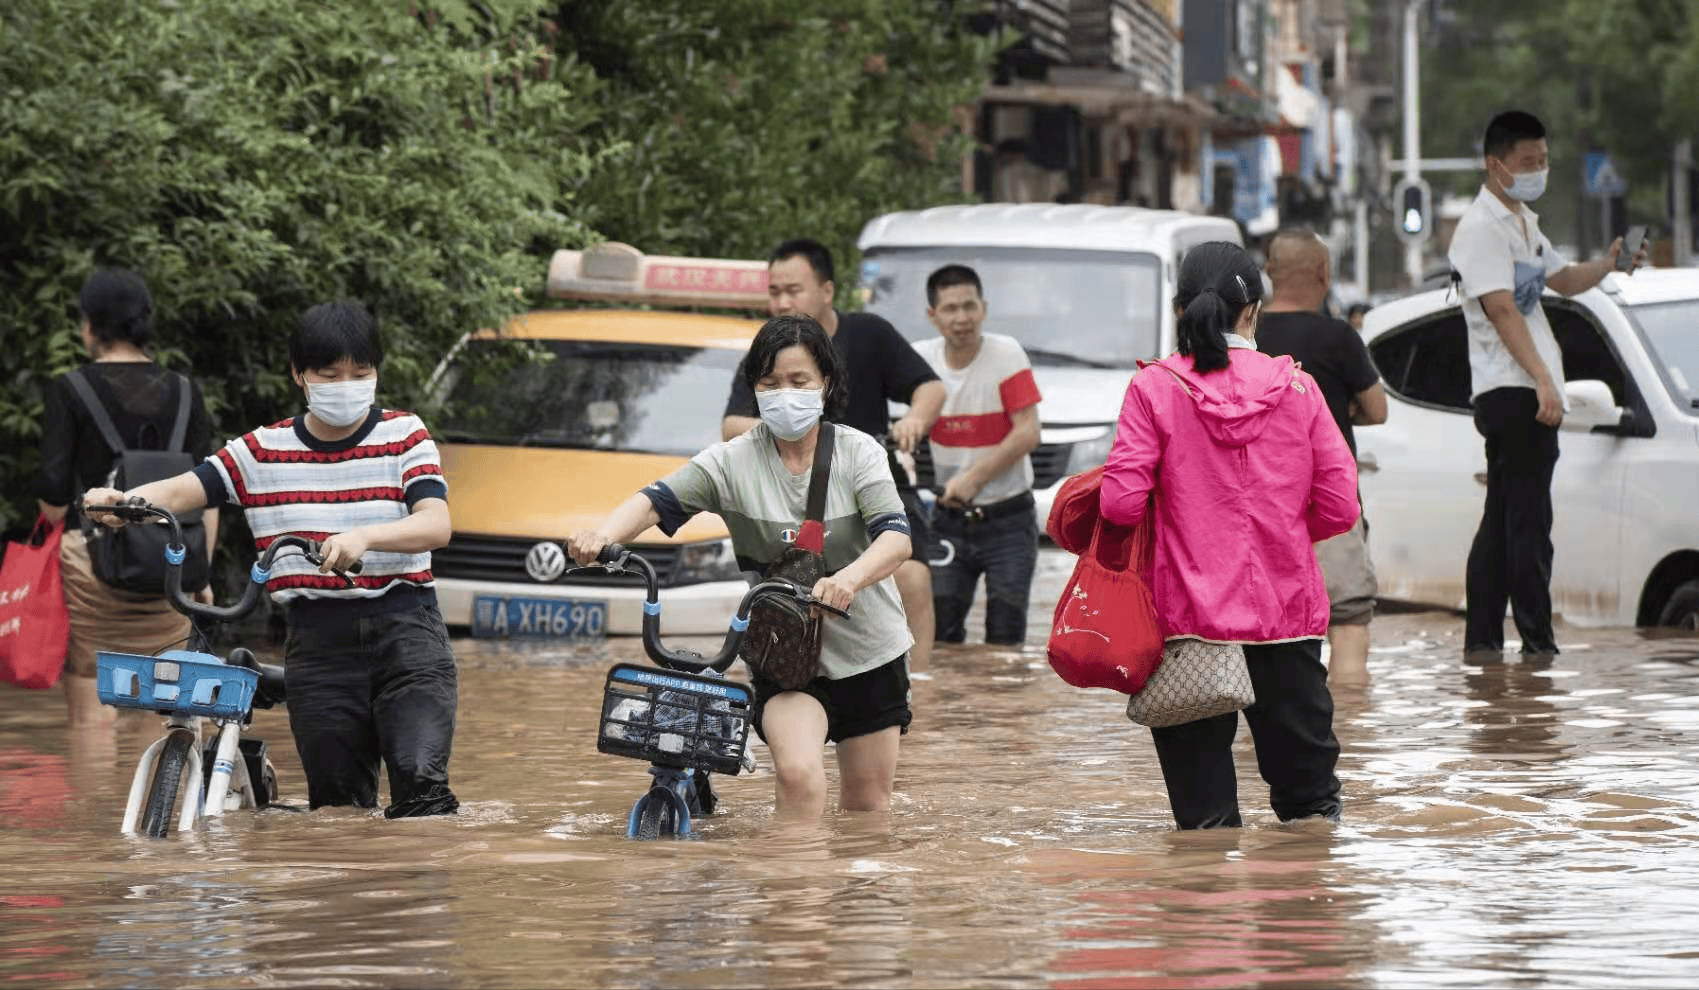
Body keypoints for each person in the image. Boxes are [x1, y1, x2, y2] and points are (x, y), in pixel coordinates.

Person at [83, 302, 460, 818]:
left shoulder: (404, 435)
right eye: (330, 374)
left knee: (423, 790)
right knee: (338, 813)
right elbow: (185, 489)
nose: (347, 384)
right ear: (299, 376)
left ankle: (424, 893)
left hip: (408, 634)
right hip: (318, 645)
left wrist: (366, 537)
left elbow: (436, 523)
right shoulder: (261, 452)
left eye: (361, 372)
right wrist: (120, 501)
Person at [587, 314, 915, 819]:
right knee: (799, 777)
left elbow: (895, 538)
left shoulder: (859, 453)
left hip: (871, 654)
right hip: (786, 661)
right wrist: (602, 535)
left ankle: (852, 898)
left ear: (825, 383)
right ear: (754, 390)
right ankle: (793, 895)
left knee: (867, 810)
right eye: (770, 383)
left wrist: (848, 578)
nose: (785, 393)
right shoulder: (730, 462)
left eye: (799, 381)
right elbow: (655, 501)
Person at [1099, 242, 1360, 830]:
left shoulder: (1155, 389)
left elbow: (1120, 504)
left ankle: (1207, 924)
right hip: (1286, 620)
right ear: (1253, 311)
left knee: (1204, 828)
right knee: (1310, 813)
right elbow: (1341, 507)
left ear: (1180, 309)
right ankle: (1304, 916)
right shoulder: (1298, 389)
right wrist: (1286, 537)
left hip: (1189, 626)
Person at [1448, 110, 1646, 661]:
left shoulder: (1522, 223)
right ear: (1497, 165)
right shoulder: (1481, 229)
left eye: (1544, 160)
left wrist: (1609, 264)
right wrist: (1543, 382)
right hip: (1511, 391)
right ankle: (1538, 648)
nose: (1540, 170)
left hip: (1520, 388)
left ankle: (1484, 645)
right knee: (1529, 523)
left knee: (1505, 519)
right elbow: (1503, 311)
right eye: (1528, 162)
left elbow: (1562, 279)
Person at [722, 238, 945, 671]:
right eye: (774, 292)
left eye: (794, 290)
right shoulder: (764, 348)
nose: (783, 302)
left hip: (871, 479)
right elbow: (731, 425)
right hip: (795, 487)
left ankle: (916, 685)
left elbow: (930, 387)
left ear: (826, 291)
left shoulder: (870, 333)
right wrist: (795, 431)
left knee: (914, 576)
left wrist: (916, 419)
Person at [33, 269, 219, 726]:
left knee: (93, 683)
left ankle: (97, 798)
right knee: (163, 694)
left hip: (93, 570)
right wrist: (200, 570)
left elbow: (55, 498)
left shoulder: (71, 390)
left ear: (91, 326)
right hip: (172, 566)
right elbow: (208, 489)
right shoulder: (184, 390)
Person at [1258, 229, 1388, 686]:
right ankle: (1349, 741)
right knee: (1348, 625)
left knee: (1264, 641)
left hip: (1257, 513)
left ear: (1269, 272)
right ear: (1324, 273)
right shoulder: (1338, 337)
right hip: (1331, 507)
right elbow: (1377, 409)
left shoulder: (1244, 336)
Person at [911, 264, 1042, 646]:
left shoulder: (1007, 354)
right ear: (932, 316)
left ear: (984, 308)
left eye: (970, 306)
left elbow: (1029, 431)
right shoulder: (919, 362)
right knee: (940, 636)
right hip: (945, 521)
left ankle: (1001, 708)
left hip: (1008, 518)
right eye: (950, 309)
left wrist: (974, 478)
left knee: (1006, 635)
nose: (962, 318)